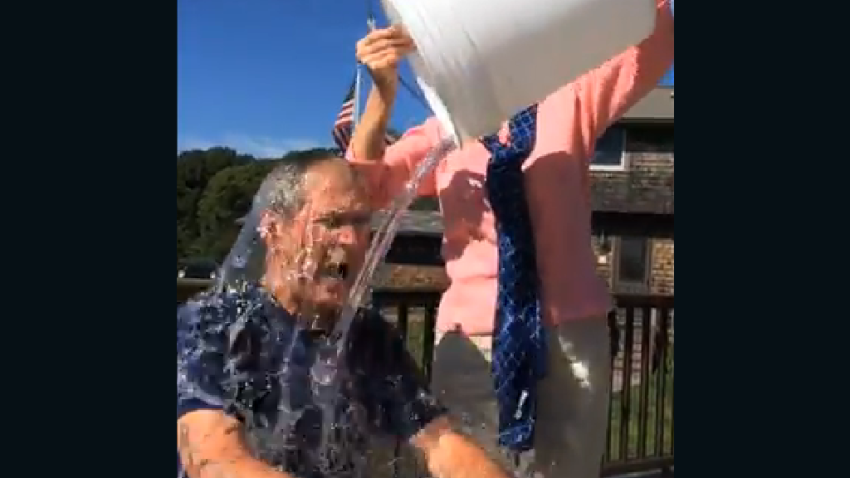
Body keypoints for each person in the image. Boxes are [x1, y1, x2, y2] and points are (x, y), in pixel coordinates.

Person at [347, 1, 674, 477]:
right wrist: (382, 91)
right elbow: (365, 187)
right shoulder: (443, 131)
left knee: (569, 469)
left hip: (571, 331)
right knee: (469, 466)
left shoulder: (572, 97)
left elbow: (653, 38)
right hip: (471, 338)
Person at [176, 152, 513, 478]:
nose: (352, 240)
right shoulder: (213, 325)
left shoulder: (370, 337)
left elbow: (440, 444)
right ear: (274, 230)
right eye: (332, 222)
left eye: (361, 222)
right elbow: (214, 460)